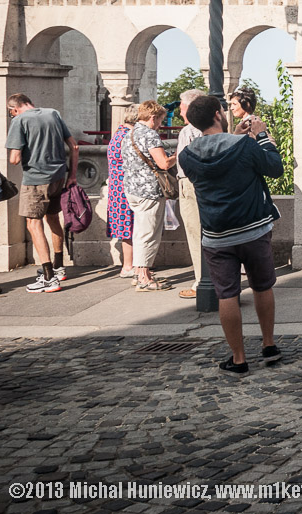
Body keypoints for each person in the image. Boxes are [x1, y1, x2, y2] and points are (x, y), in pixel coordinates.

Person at [178, 95, 284, 373]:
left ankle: (238, 358)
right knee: (262, 286)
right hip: (253, 229)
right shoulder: (246, 146)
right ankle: (269, 344)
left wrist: (234, 137)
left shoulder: (187, 156)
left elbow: (218, 160)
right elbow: (274, 168)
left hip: (216, 235)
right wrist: (260, 137)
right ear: (217, 114)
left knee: (227, 294)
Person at [5, 93, 78, 293]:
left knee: (33, 224)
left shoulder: (19, 120)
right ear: (31, 103)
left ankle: (48, 278)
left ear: (14, 109)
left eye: (11, 113)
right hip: (58, 176)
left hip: (36, 179)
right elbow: (74, 146)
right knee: (53, 218)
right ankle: (58, 265)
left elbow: (14, 159)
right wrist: (72, 175)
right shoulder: (53, 113)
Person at [122, 100, 177, 293]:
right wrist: (177, 155)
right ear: (152, 118)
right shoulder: (149, 135)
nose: (160, 125)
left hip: (132, 189)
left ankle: (139, 273)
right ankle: (144, 277)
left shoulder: (129, 134)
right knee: (149, 234)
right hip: (149, 191)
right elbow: (163, 164)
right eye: (160, 121)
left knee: (139, 232)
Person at [175, 88, 206, 300]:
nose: (179, 111)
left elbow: (189, 162)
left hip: (190, 184)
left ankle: (201, 281)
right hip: (205, 184)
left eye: (181, 106)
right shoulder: (209, 128)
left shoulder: (188, 131)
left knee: (196, 233)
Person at [106, 105, 138, 281]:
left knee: (127, 227)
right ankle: (128, 266)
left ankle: (130, 264)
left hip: (118, 188)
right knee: (129, 227)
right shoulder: (128, 136)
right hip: (125, 188)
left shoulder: (118, 134)